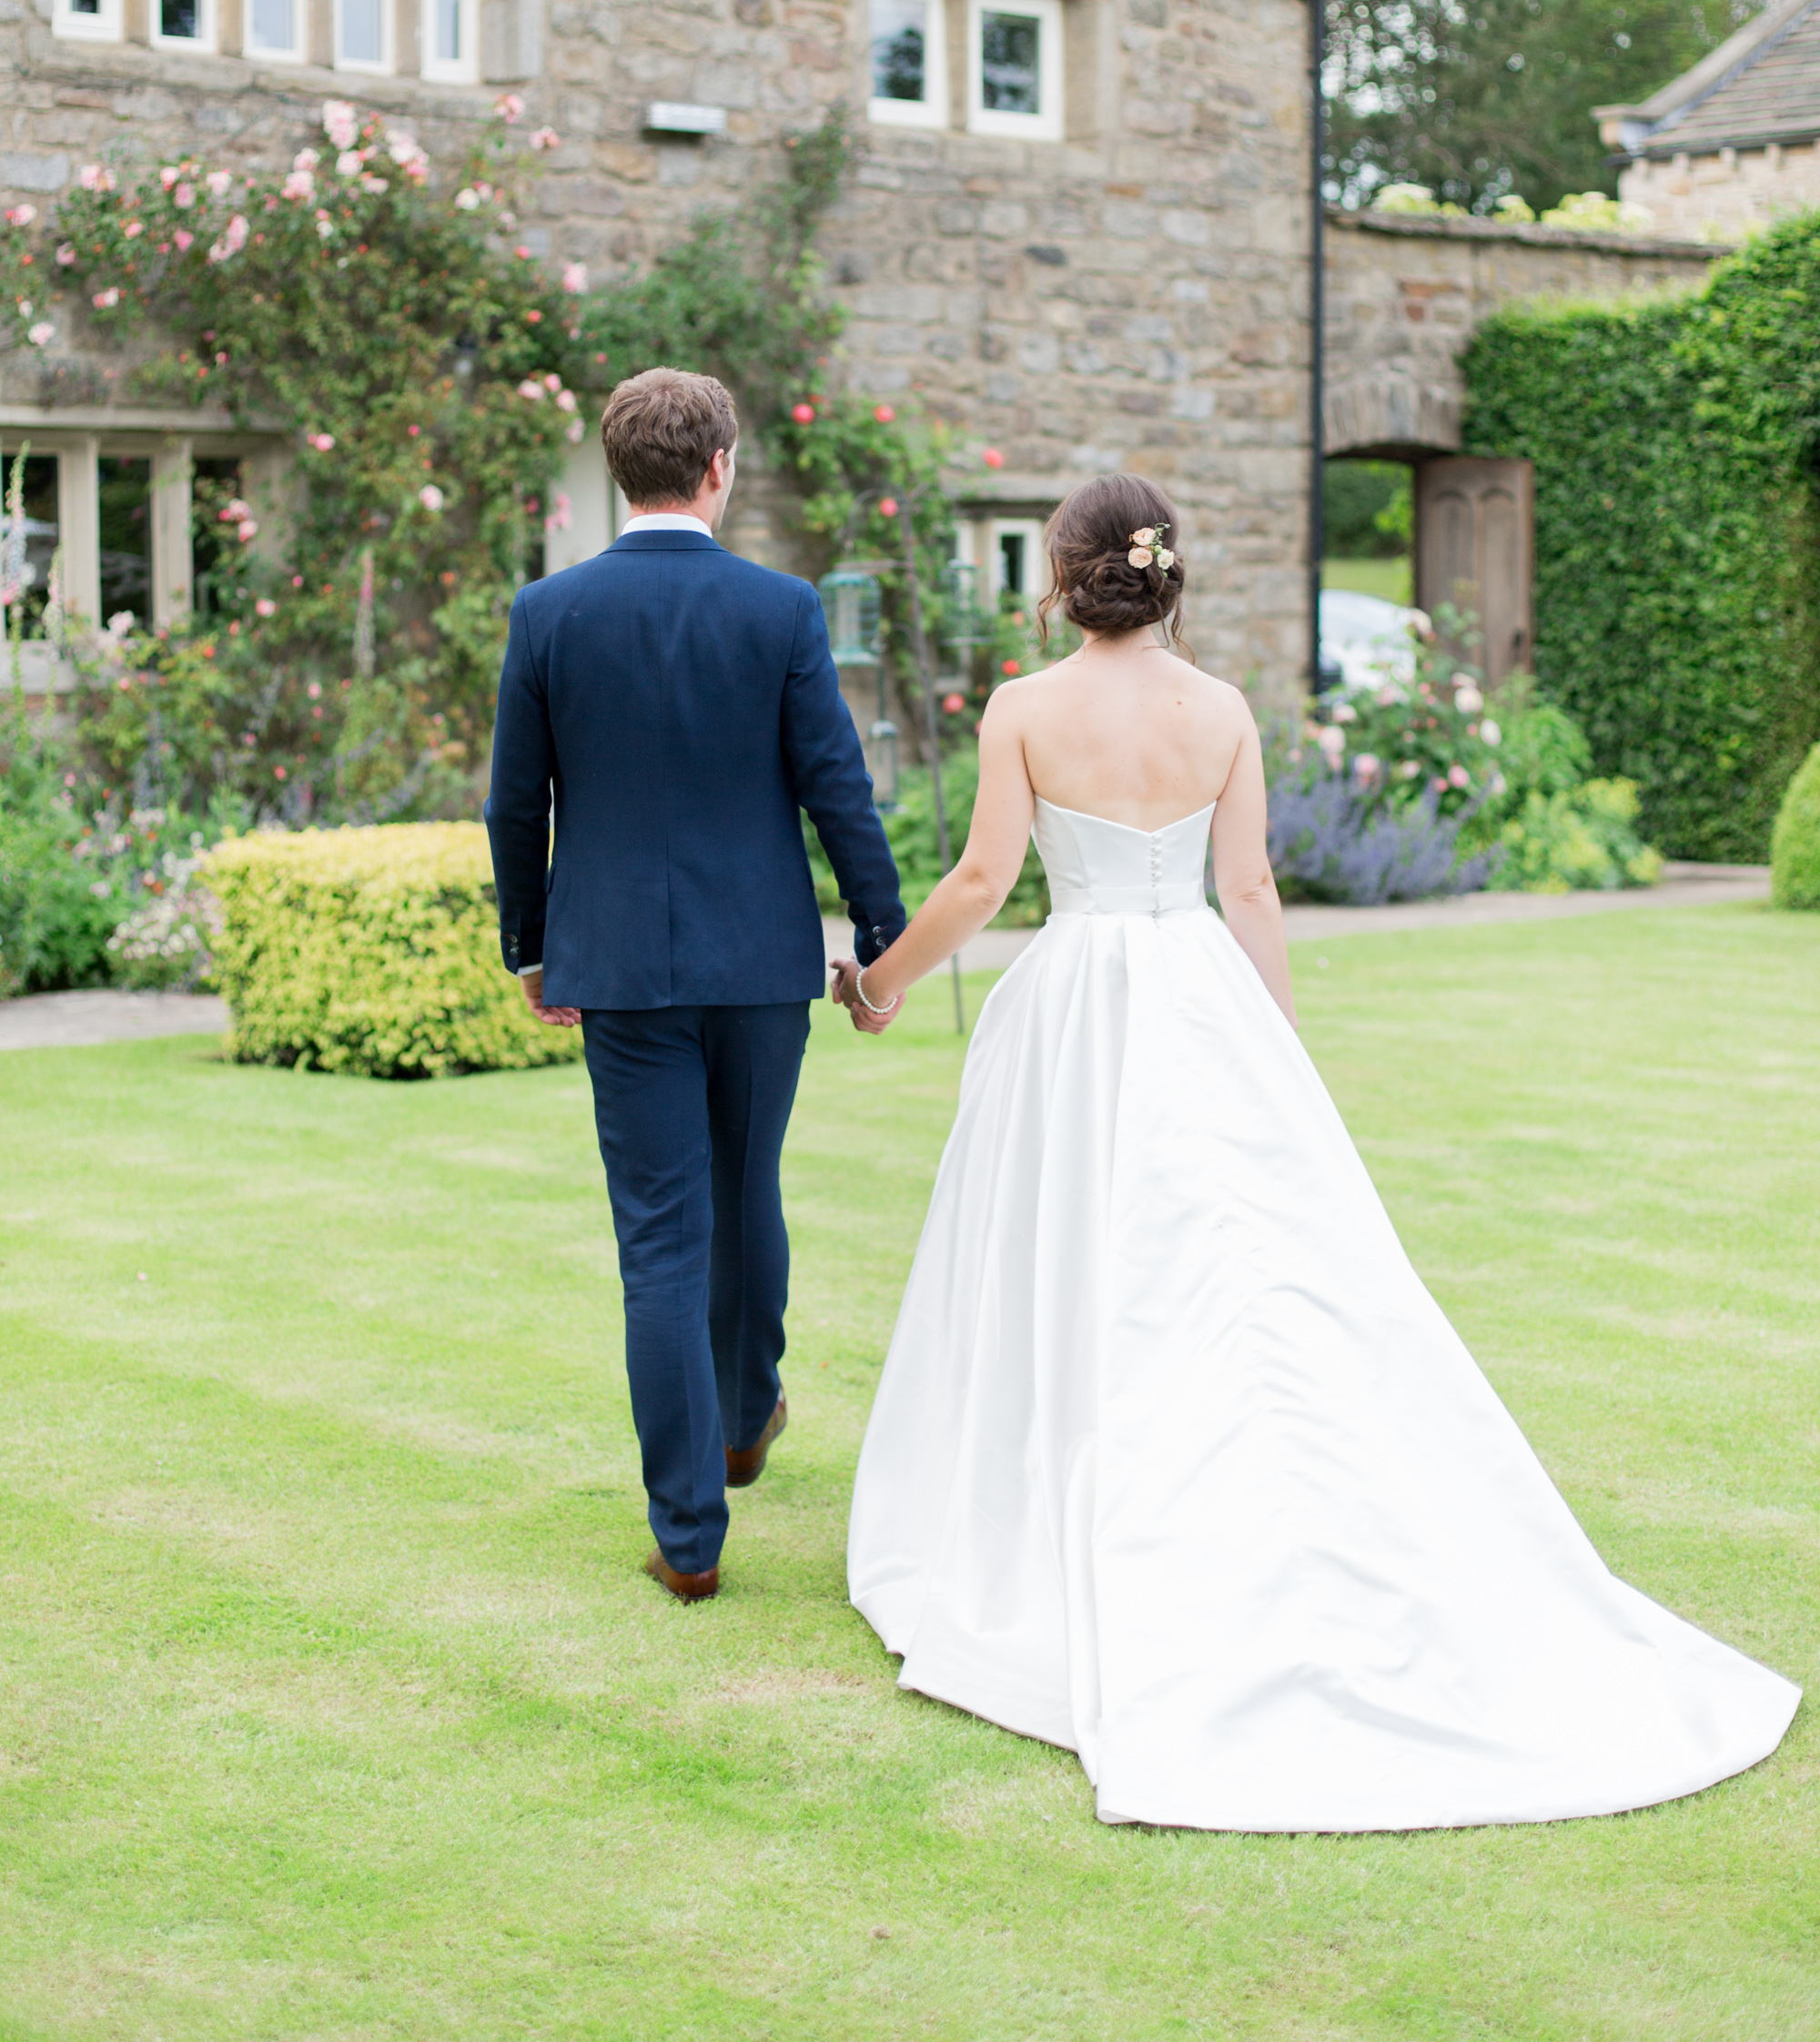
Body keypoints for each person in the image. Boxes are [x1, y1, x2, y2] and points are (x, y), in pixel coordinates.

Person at [834, 472, 1799, 1832]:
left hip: (1074, 1009)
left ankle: (1064, 1505)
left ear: (1063, 578)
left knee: (1072, 1253)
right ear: (1168, 574)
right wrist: (1270, 1044)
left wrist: (879, 982)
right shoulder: (1221, 711)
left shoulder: (1025, 710)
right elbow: (1249, 889)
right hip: (1196, 999)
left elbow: (988, 883)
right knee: (1232, 1266)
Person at [486, 366, 905, 1604]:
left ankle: (688, 1532)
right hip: (761, 963)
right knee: (746, 1185)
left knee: (662, 1234)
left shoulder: (548, 610)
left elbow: (518, 801)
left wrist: (531, 945)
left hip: (616, 966)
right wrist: (878, 935)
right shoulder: (779, 610)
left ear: (623, 472)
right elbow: (837, 785)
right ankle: (740, 1417)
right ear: (719, 467)